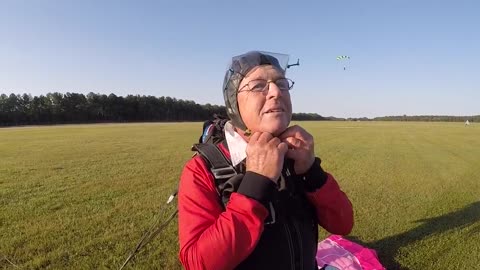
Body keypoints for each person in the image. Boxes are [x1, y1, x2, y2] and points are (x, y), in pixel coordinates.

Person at [178, 51, 354, 270]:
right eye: (258, 85)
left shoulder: (294, 155)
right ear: (234, 103)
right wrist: (256, 182)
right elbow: (198, 264)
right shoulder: (203, 170)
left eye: (282, 84)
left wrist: (312, 172)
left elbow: (344, 223)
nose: (276, 92)